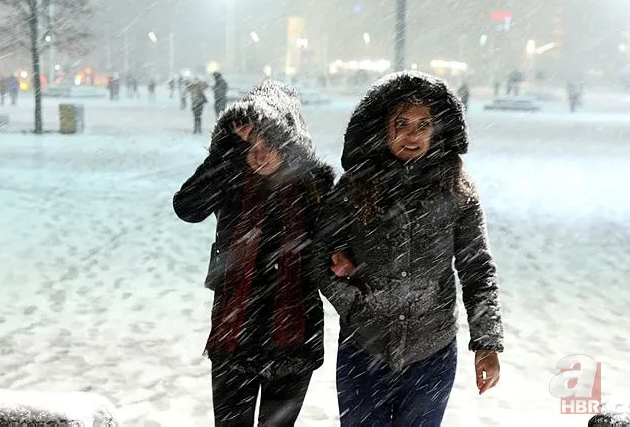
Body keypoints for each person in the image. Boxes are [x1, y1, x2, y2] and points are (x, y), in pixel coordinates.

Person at [314, 71, 504, 426]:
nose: (412, 135)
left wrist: (486, 342)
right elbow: (319, 253)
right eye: (401, 123)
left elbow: (477, 269)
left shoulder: (458, 191)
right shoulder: (353, 187)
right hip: (363, 350)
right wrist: (355, 304)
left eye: (423, 124)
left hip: (431, 352)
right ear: (383, 128)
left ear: (438, 130)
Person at [173, 81, 334, 426]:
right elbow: (187, 207)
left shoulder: (314, 184)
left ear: (289, 143)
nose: (260, 154)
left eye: (271, 143)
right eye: (252, 144)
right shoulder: (230, 177)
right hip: (234, 335)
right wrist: (225, 153)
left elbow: (338, 243)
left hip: (294, 334)